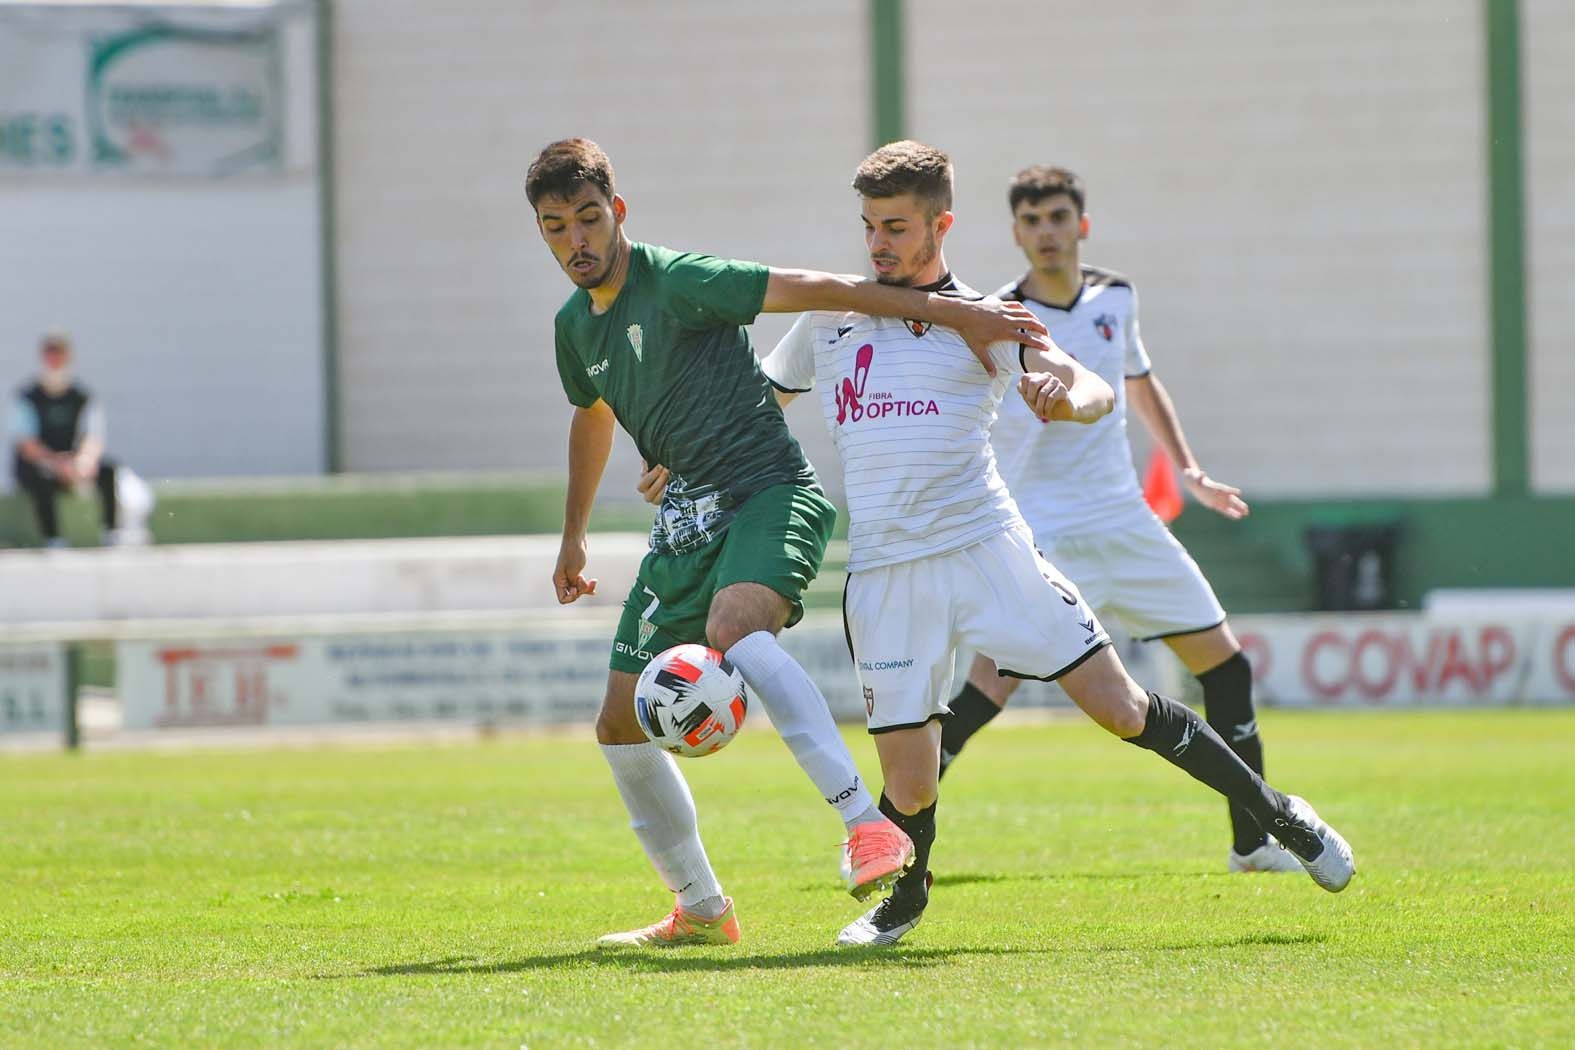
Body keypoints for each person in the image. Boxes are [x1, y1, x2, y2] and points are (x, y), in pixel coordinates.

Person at [754, 141, 1353, 947]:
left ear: (942, 224)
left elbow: (1095, 387)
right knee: (909, 778)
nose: (877, 244)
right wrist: (684, 458)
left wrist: (1060, 399)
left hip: (987, 550)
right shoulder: (830, 316)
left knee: (1120, 708)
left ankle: (1277, 815)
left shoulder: (989, 319)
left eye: (895, 226)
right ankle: (906, 900)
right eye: (868, 226)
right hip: (886, 573)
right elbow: (761, 402)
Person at [529, 138, 1052, 947]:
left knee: (732, 631)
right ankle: (701, 910)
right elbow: (592, 413)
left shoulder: (680, 280)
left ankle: (864, 825)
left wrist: (959, 312)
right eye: (556, 227)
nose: (577, 243)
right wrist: (574, 536)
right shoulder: (574, 327)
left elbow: (832, 287)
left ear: (617, 212)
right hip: (684, 528)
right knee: (619, 723)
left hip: (768, 494)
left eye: (589, 220)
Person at [937, 167, 1300, 874]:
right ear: (1016, 233)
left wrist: (1187, 467)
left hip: (1125, 521)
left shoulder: (1117, 297)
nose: (1046, 231)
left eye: (1057, 217)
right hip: (1043, 529)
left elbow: (1137, 378)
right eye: (1032, 220)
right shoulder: (999, 317)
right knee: (989, 685)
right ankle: (888, 829)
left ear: (1082, 223)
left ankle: (1252, 840)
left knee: (1225, 666)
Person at [8, 331, 124, 548]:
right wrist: (56, 463)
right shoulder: (27, 396)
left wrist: (84, 461)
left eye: (59, 352)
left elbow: (93, 435)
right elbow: (26, 444)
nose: (55, 359)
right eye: (50, 353)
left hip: (73, 463)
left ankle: (111, 532)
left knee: (109, 470)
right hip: (41, 465)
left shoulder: (82, 396)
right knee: (42, 476)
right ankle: (53, 538)